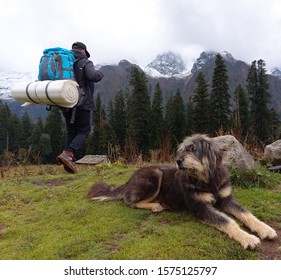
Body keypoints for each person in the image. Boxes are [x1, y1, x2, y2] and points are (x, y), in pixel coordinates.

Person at [56, 41, 103, 173]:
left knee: (71, 132)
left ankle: (68, 163)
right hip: (82, 102)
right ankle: (69, 153)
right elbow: (93, 76)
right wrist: (100, 73)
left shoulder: (65, 62)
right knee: (84, 131)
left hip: (65, 100)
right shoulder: (85, 62)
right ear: (83, 51)